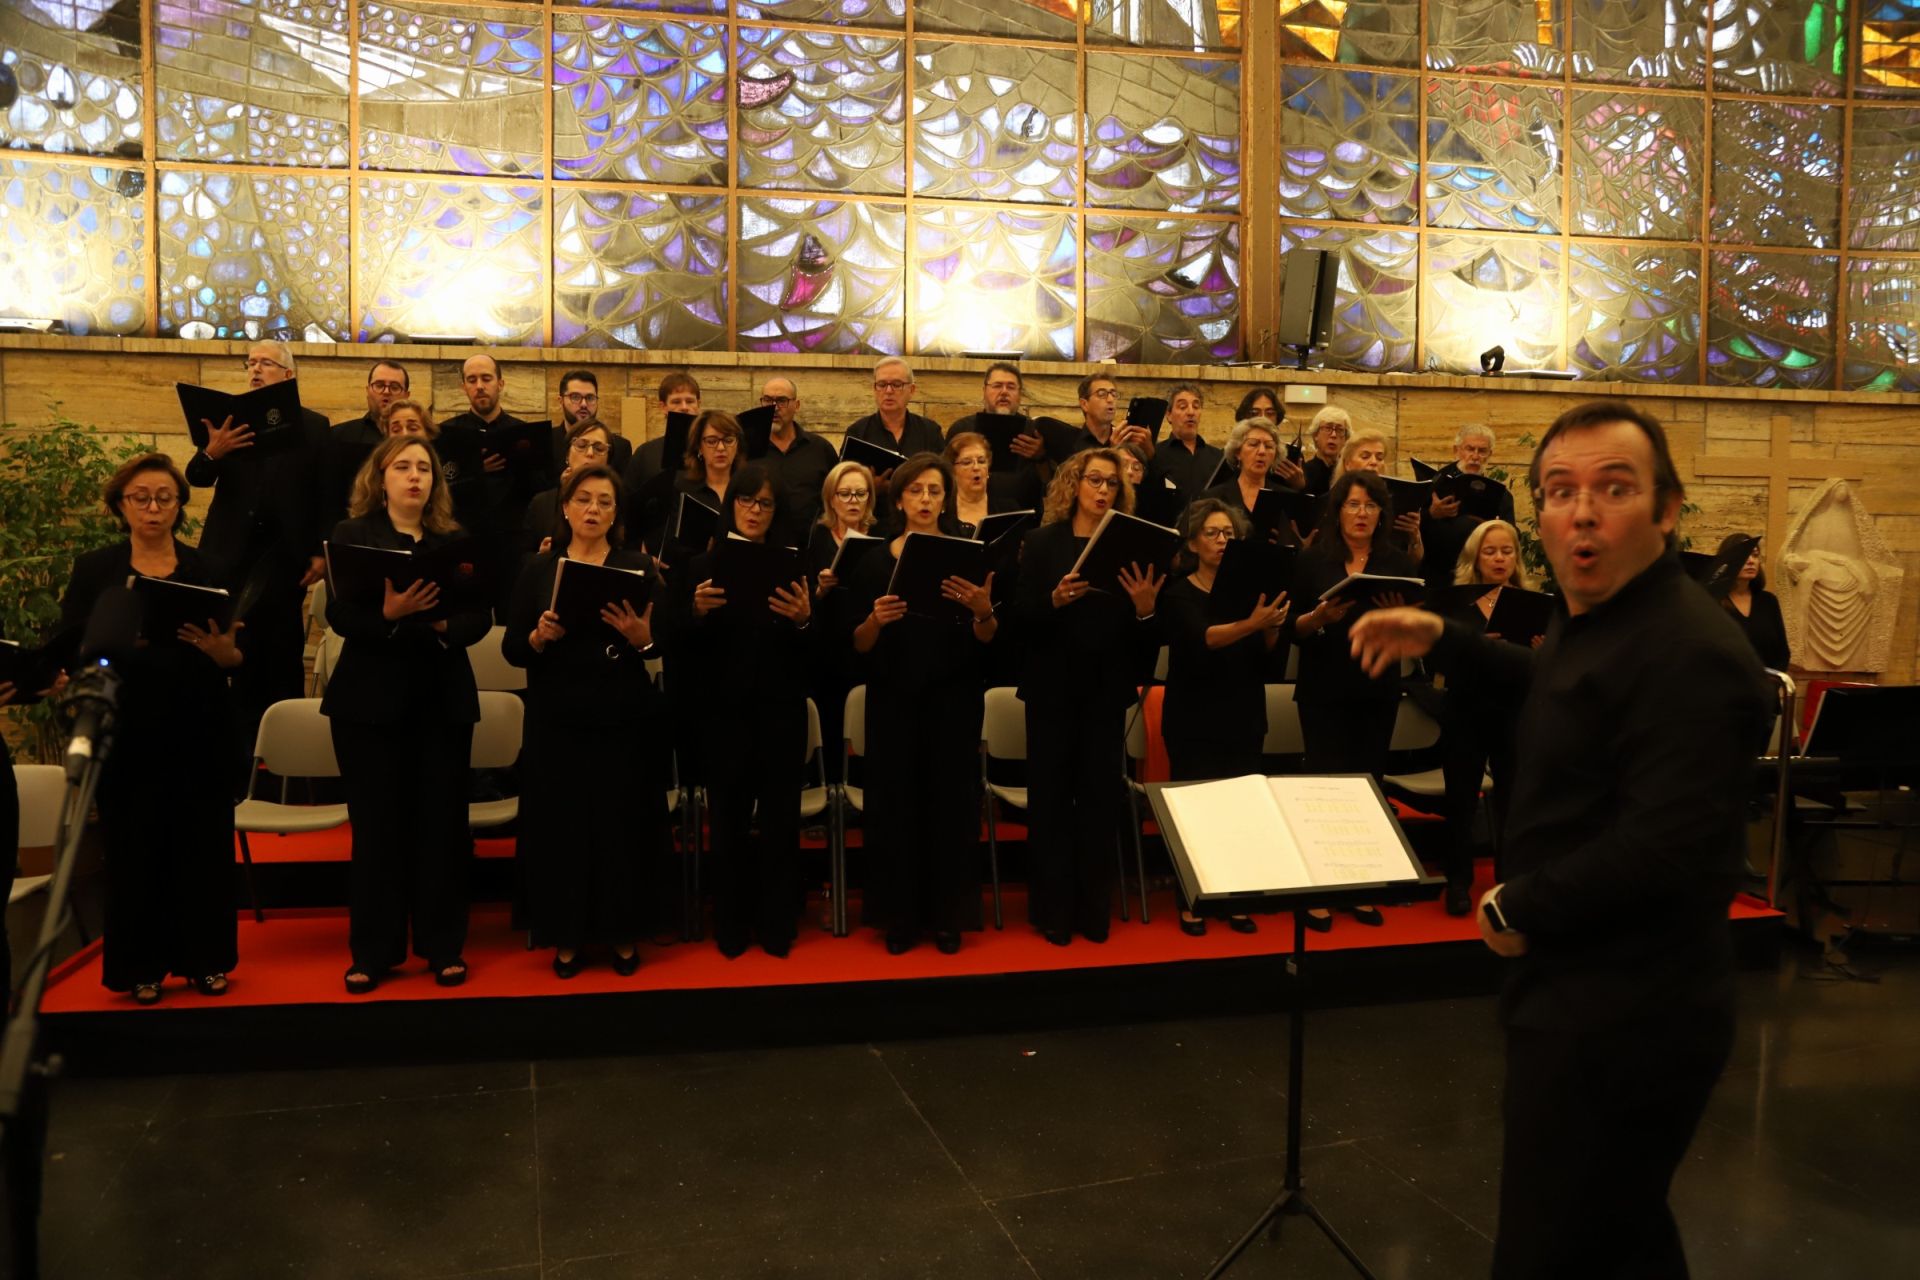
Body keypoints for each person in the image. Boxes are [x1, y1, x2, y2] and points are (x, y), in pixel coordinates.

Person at [1349, 400, 1773, 1280]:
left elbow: (1666, 846)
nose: (1582, 512)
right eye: (1560, 490)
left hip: (1631, 1010)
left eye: (1613, 489)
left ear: (1666, 510)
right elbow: (1561, 683)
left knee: (1552, 1246)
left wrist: (1517, 904)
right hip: (1579, 986)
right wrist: (1446, 638)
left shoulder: (1693, 650)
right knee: (1619, 1236)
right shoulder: (1606, 617)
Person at [61, 454, 243, 1003]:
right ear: (120, 506)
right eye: (140, 497)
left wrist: (224, 653)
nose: (153, 507)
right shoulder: (97, 569)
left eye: (165, 497)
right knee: (135, 847)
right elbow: (71, 645)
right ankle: (141, 967)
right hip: (128, 725)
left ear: (180, 506)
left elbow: (239, 652)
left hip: (199, 721)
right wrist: (113, 646)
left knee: (202, 846)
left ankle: (206, 960)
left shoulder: (209, 568)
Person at [324, 436, 492, 994]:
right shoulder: (353, 535)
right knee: (377, 831)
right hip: (370, 704)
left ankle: (443, 946)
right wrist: (391, 614)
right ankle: (374, 952)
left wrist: (442, 624)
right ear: (381, 478)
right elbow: (340, 614)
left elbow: (479, 615)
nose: (415, 476)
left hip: (441, 700)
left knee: (442, 828)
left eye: (424, 468)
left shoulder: (455, 540)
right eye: (402, 467)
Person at [502, 465, 664, 978]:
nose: (594, 509)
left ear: (616, 514)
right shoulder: (538, 569)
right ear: (566, 508)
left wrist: (643, 639)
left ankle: (622, 933)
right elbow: (512, 649)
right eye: (584, 499)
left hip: (621, 713)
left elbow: (662, 643)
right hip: (558, 716)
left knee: (620, 824)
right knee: (563, 829)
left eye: (605, 502)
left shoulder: (638, 567)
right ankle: (566, 934)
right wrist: (537, 638)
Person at [846, 454, 997, 954]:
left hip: (952, 698)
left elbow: (988, 638)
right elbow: (858, 645)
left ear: (946, 498)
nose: (926, 499)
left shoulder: (968, 555)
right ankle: (900, 916)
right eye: (916, 490)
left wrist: (983, 612)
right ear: (899, 499)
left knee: (950, 808)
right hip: (894, 699)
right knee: (896, 808)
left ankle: (948, 916)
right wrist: (876, 620)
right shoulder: (873, 562)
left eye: (934, 490)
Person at [665, 463, 814, 958]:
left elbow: (814, 653)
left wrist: (803, 621)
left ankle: (776, 923)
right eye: (746, 500)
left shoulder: (796, 564)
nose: (754, 510)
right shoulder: (701, 567)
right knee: (726, 820)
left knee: (780, 820)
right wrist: (695, 613)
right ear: (732, 506)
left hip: (780, 710)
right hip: (722, 711)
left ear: (777, 511)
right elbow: (678, 646)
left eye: (765, 503)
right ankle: (729, 923)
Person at [1017, 449, 1163, 945]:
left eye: (1111, 484)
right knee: (1051, 801)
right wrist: (1053, 601)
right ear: (1074, 484)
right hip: (1052, 691)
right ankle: (1053, 911)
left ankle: (1094, 909)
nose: (1102, 490)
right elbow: (1019, 621)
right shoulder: (1042, 542)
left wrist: (1145, 611)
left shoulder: (1130, 547)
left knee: (1100, 802)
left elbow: (1146, 639)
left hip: (1104, 690)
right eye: (1094, 480)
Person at [184, 339, 330, 789]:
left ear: (289, 375)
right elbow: (196, 478)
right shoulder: (228, 424)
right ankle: (232, 772)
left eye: (265, 362)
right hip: (228, 559)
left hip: (284, 562)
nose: (254, 369)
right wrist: (213, 451)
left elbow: (324, 494)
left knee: (280, 660)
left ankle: (286, 777)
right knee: (228, 659)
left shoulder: (314, 426)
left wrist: (320, 552)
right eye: (250, 363)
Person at [1290, 469, 1418, 931]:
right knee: (1325, 787)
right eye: (1353, 505)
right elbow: (1293, 630)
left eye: (1370, 505)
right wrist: (1319, 618)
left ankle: (1361, 886)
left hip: (1376, 688)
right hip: (1324, 687)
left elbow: (1414, 635)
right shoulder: (1314, 560)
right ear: (1338, 511)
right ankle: (1320, 890)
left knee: (1369, 785)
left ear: (1381, 513)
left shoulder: (1396, 562)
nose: (1361, 513)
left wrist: (1398, 618)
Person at [1159, 498, 1287, 936]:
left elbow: (1268, 657)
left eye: (1229, 534)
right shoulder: (1179, 592)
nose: (1221, 540)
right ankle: (1191, 899)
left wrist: (1272, 626)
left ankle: (1236, 898)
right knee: (1196, 811)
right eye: (1212, 533)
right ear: (1193, 542)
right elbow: (1204, 640)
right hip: (1194, 716)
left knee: (1241, 812)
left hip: (1243, 710)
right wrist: (1254, 623)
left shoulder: (1251, 593)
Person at [1431, 519, 1535, 916]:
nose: (1499, 558)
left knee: (1513, 802)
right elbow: (1436, 661)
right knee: (1460, 800)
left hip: (1514, 712)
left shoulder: (1530, 602)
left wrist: (1540, 648)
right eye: (1490, 551)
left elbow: (1548, 665)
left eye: (1507, 551)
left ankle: (1509, 883)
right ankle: (1458, 882)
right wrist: (1472, 648)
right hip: (1466, 712)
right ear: (1476, 557)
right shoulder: (1457, 603)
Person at [439, 352, 554, 612]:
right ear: (463, 387)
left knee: (512, 614)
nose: (479, 386)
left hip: (513, 546)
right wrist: (475, 471)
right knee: (467, 615)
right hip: (464, 542)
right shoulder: (446, 434)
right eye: (472, 380)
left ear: (500, 383)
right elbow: (438, 491)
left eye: (486, 378)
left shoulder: (525, 433)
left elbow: (541, 490)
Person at [807, 459, 878, 784]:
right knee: (832, 719)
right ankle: (832, 785)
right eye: (845, 494)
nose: (853, 501)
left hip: (870, 641)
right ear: (831, 499)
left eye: (860, 494)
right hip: (829, 646)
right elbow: (805, 598)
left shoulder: (882, 536)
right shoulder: (818, 538)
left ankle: (864, 785)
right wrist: (820, 590)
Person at [1419, 423, 1517, 589]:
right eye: (1470, 449)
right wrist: (1432, 514)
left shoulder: (1501, 495)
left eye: (1482, 451)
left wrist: (1495, 527)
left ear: (1490, 454)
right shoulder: (1435, 483)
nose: (1475, 456)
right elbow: (1410, 527)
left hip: (1479, 579)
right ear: (1456, 450)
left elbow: (1514, 537)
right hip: (1436, 575)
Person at [946, 362, 1052, 510]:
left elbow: (1051, 484)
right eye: (997, 386)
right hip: (969, 511)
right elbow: (946, 477)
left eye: (1011, 387)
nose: (1004, 392)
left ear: (1020, 394)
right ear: (984, 391)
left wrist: (1040, 456)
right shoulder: (961, 429)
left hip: (1024, 514)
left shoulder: (1036, 432)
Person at [758, 375, 839, 546]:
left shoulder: (820, 449)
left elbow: (836, 498)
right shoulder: (750, 449)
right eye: (768, 400)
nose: (774, 407)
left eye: (782, 401)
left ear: (797, 405)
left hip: (812, 548)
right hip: (761, 548)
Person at [330, 359, 411, 525]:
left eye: (395, 387)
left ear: (406, 395)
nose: (386, 392)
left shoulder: (420, 441)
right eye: (379, 385)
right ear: (367, 390)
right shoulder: (339, 436)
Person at [520, 419, 615, 561]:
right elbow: (524, 557)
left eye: (599, 448)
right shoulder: (542, 503)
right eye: (581, 445)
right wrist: (542, 559)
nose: (590, 453)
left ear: (608, 460)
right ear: (567, 455)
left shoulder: (617, 500)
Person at [1205, 419, 1300, 546]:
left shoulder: (1288, 497)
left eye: (1269, 446)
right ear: (1238, 452)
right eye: (1253, 444)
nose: (1262, 451)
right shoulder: (1213, 497)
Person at [1336, 430, 1425, 561]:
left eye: (1379, 458)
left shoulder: (1395, 499)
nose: (1374, 462)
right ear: (1347, 464)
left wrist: (1414, 537)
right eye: (1365, 456)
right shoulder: (1334, 499)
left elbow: (1414, 561)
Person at [844, 356, 945, 464]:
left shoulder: (930, 432)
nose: (888, 391)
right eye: (882, 385)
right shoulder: (857, 433)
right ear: (874, 389)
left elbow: (943, 471)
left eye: (896, 385)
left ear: (911, 390)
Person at [623, 371, 702, 497]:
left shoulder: (711, 450)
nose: (684, 407)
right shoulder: (645, 454)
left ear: (698, 404)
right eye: (676, 402)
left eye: (689, 401)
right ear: (663, 407)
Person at [1144, 382, 1221, 512]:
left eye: (1196, 406)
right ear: (1169, 415)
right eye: (1182, 407)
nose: (1191, 412)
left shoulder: (1218, 457)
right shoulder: (1155, 455)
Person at [1720, 534, 1790, 671]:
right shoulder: (1713, 602)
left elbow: (1783, 653)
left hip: (1767, 682)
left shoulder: (1768, 601)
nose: (1751, 561)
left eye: (1755, 555)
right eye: (1744, 555)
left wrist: (1771, 679)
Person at [549, 368, 633, 476]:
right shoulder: (545, 443)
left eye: (590, 398)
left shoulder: (619, 447)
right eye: (575, 397)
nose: (584, 404)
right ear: (561, 401)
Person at [1056, 372, 1155, 459]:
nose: (1110, 399)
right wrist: (1114, 452)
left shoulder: (1125, 440)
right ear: (1084, 404)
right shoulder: (1071, 444)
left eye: (1114, 394)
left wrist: (1150, 453)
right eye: (1102, 394)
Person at [1234, 386, 1306, 490]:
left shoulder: (1290, 455)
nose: (1263, 418)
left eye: (1270, 413)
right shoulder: (1233, 452)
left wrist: (1299, 485)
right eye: (1255, 413)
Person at [945, 432, 995, 534]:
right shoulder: (942, 514)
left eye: (981, 461)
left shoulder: (1009, 509)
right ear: (953, 471)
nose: (976, 467)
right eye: (967, 462)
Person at [1300, 405, 1351, 496]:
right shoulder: (1303, 474)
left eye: (1340, 430)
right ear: (1316, 435)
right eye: (1328, 428)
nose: (1333, 435)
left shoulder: (1349, 474)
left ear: (1345, 439)